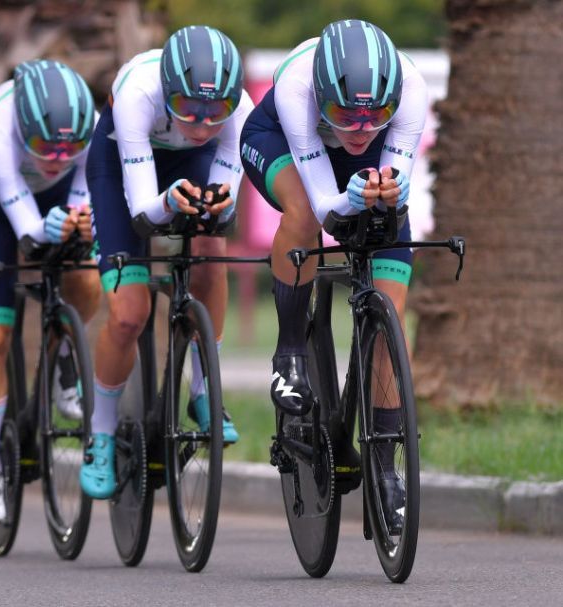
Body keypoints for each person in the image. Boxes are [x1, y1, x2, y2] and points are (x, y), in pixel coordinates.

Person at [239, 19, 428, 531]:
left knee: (392, 306)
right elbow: (327, 208)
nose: (361, 126)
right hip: (282, 141)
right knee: (299, 213)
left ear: (394, 101)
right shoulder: (298, 86)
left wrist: (391, 194)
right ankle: (291, 351)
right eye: (345, 112)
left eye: (375, 114)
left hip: (361, 168)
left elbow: (398, 180)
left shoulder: (411, 91)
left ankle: (386, 470)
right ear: (323, 96)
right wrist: (349, 199)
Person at [80, 26, 254, 499]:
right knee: (128, 315)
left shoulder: (240, 113)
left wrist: (217, 208)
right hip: (123, 168)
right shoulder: (138, 94)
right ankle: (98, 434)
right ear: (167, 92)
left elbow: (227, 200)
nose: (201, 123)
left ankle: (204, 391)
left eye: (215, 112)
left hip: (189, 165)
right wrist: (170, 202)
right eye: (188, 110)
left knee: (211, 249)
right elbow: (142, 214)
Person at [0, 60, 101, 522]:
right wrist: (47, 229)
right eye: (44, 145)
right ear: (23, 128)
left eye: (69, 147)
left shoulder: (92, 129)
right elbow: (26, 228)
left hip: (56, 200)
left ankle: (63, 361)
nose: (58, 156)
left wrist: (78, 217)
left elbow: (84, 189)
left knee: (85, 277)